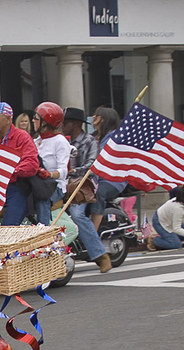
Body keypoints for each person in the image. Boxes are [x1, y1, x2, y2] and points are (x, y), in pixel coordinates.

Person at [61, 106, 110, 272]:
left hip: (84, 185)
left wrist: (73, 172)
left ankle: (100, 255)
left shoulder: (89, 141)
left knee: (77, 214)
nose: (62, 125)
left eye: (65, 122)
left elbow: (92, 165)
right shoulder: (62, 141)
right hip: (61, 184)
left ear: (74, 124)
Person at [87, 106, 127, 270]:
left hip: (112, 180)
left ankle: (92, 234)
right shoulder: (94, 137)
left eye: (96, 116)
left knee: (98, 193)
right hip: (95, 177)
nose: (93, 118)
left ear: (104, 119)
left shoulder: (115, 138)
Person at [0, 102, 39, 226]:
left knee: (9, 226)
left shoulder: (22, 137)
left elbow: (32, 164)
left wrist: (11, 171)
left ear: (8, 118)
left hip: (16, 188)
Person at [31, 102, 71, 225]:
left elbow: (64, 171)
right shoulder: (35, 141)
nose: (32, 121)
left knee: (42, 198)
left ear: (45, 123)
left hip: (55, 187)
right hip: (36, 183)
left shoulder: (60, 141)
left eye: (36, 119)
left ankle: (43, 232)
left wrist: (49, 174)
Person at [147, 183, 184, 251]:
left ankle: (170, 237)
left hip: (173, 221)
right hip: (161, 222)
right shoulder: (178, 208)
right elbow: (176, 229)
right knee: (175, 244)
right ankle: (154, 240)